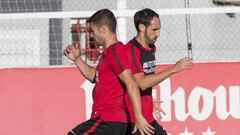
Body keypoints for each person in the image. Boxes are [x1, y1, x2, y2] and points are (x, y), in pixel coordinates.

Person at [64, 9, 154, 135]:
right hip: (111, 121)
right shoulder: (109, 53)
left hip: (109, 120)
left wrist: (138, 116)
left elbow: (131, 83)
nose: (91, 35)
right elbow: (95, 77)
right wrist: (77, 59)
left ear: (103, 30)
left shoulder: (116, 51)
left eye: (93, 31)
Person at [125, 8, 193, 135]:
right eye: (154, 30)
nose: (158, 34)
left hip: (148, 117)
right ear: (141, 28)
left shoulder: (151, 48)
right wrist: (173, 69)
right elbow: (142, 83)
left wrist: (149, 100)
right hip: (136, 120)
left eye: (159, 29)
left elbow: (142, 81)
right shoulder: (131, 50)